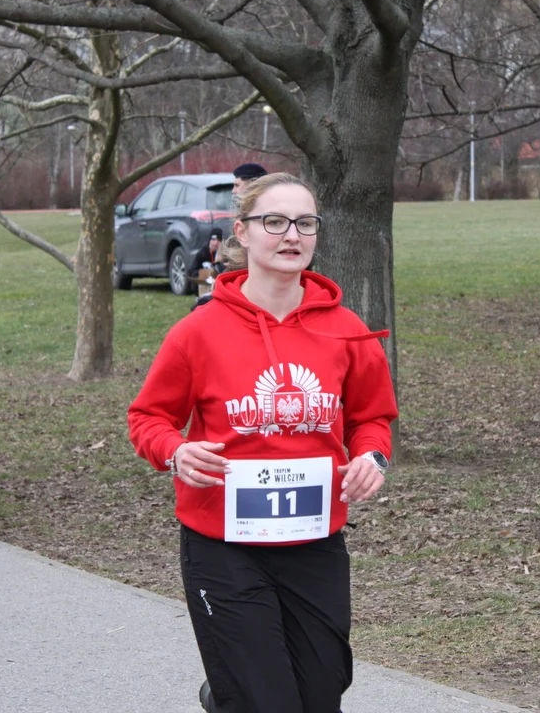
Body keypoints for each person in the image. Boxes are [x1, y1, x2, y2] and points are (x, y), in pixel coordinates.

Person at [128, 172, 398, 713]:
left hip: (313, 544)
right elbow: (148, 418)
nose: (291, 235)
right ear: (243, 233)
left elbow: (372, 419)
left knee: (321, 697)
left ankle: (226, 694)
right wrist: (176, 452)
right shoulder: (197, 332)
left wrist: (373, 457)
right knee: (267, 702)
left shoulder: (347, 329)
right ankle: (237, 693)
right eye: (274, 222)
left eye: (304, 223)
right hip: (223, 548)